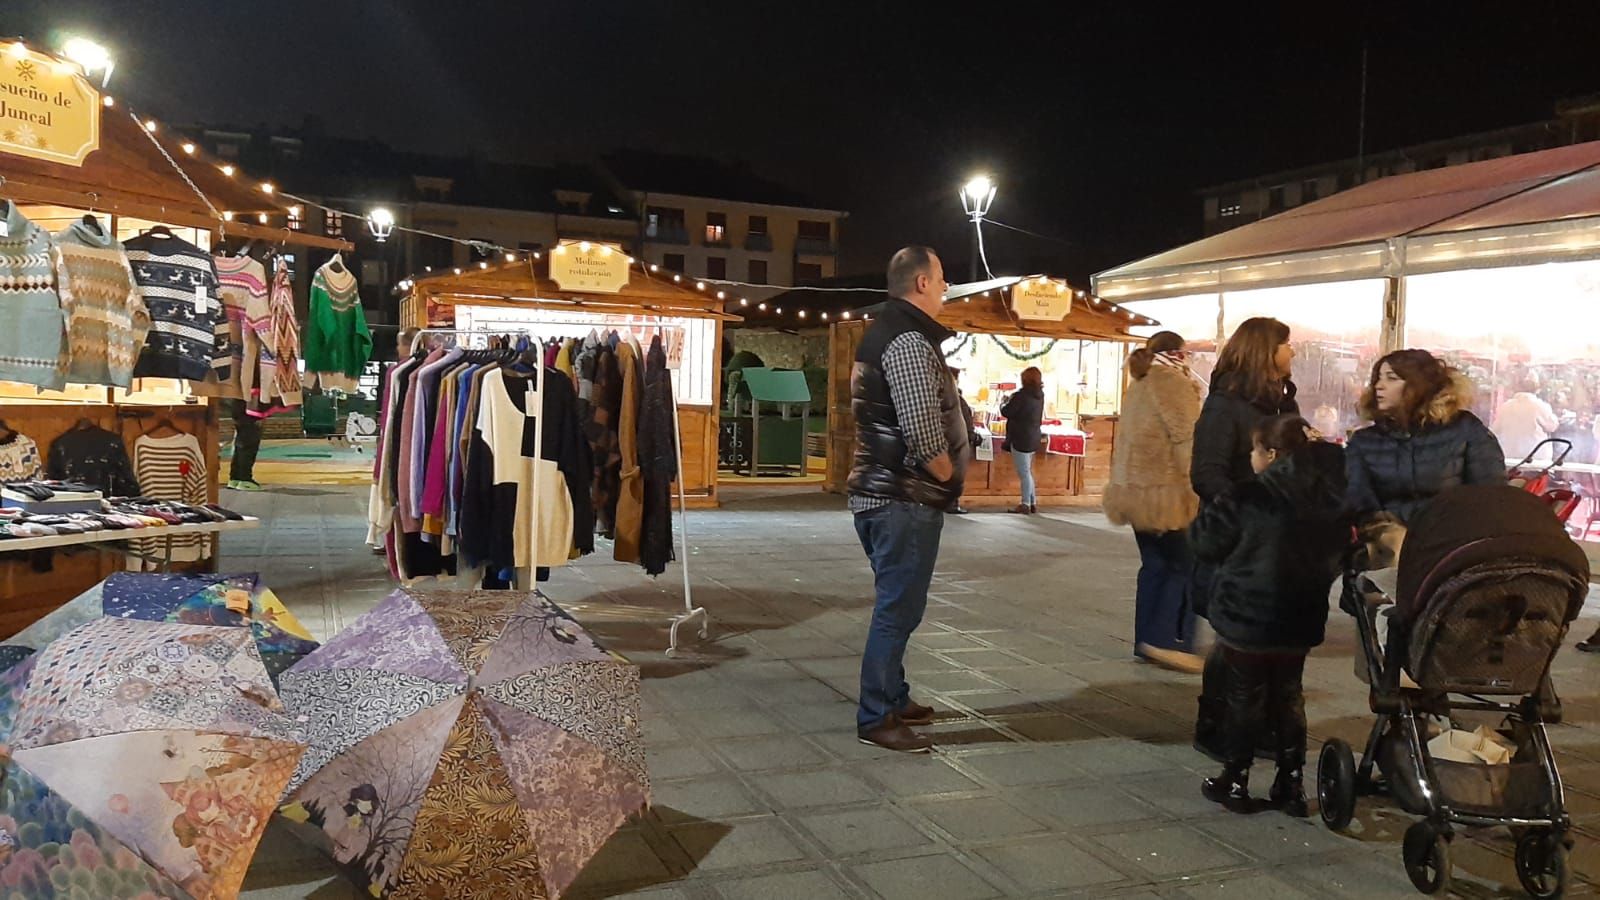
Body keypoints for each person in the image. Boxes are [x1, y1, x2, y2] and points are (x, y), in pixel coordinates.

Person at [1192, 414, 1349, 816]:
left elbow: (1205, 542)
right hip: (1299, 617)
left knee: (1244, 695)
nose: (1250, 457)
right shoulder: (1328, 501)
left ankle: (1236, 778)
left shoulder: (1248, 496)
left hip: (1248, 617)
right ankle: (1290, 782)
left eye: (1254, 450)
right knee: (1289, 695)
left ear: (1273, 454)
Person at [847, 246, 968, 753]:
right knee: (898, 608)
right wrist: (944, 471)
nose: (945, 287)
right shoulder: (909, 341)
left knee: (898, 603)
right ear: (921, 282)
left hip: (884, 492)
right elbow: (920, 424)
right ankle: (877, 715)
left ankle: (894, 696)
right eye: (941, 278)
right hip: (903, 495)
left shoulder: (885, 334)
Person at [1190, 317, 1298, 759]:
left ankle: (1261, 726)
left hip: (1277, 541)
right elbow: (1206, 474)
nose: (1293, 352)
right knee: (1233, 638)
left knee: (1266, 634)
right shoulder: (1225, 406)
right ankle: (1215, 725)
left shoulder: (1280, 404)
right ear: (1264, 352)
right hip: (1235, 539)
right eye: (1286, 345)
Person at [1102, 332, 1203, 673]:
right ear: (1178, 353)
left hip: (1134, 492)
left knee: (1154, 566)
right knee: (1183, 567)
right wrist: (1196, 487)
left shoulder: (1140, 383)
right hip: (1167, 494)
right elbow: (1186, 438)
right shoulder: (1172, 382)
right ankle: (1167, 641)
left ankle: (1145, 638)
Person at [1345, 349, 1506, 527]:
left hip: (1452, 537)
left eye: (1392, 378)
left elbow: (1489, 496)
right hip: (1389, 542)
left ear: (1419, 385)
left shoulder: (1465, 429)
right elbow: (1360, 505)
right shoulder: (1364, 441)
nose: (1378, 386)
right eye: (1378, 378)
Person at [1001, 367, 1045, 514]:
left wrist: (1004, 402)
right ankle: (1032, 502)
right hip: (1033, 436)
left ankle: (1025, 503)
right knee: (1028, 471)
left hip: (1020, 437)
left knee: (1024, 473)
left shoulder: (1021, 396)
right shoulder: (1040, 395)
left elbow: (1007, 412)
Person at [1494, 375, 1558, 461]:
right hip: (1535, 458)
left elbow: (1495, 430)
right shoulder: (1540, 406)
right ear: (1536, 390)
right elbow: (1552, 426)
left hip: (1509, 457)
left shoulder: (1506, 406)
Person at [946, 365, 978, 515]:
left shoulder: (945, 398)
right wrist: (971, 437)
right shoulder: (957, 400)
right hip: (957, 442)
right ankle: (952, 503)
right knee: (956, 474)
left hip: (949, 441)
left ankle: (948, 502)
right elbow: (964, 422)